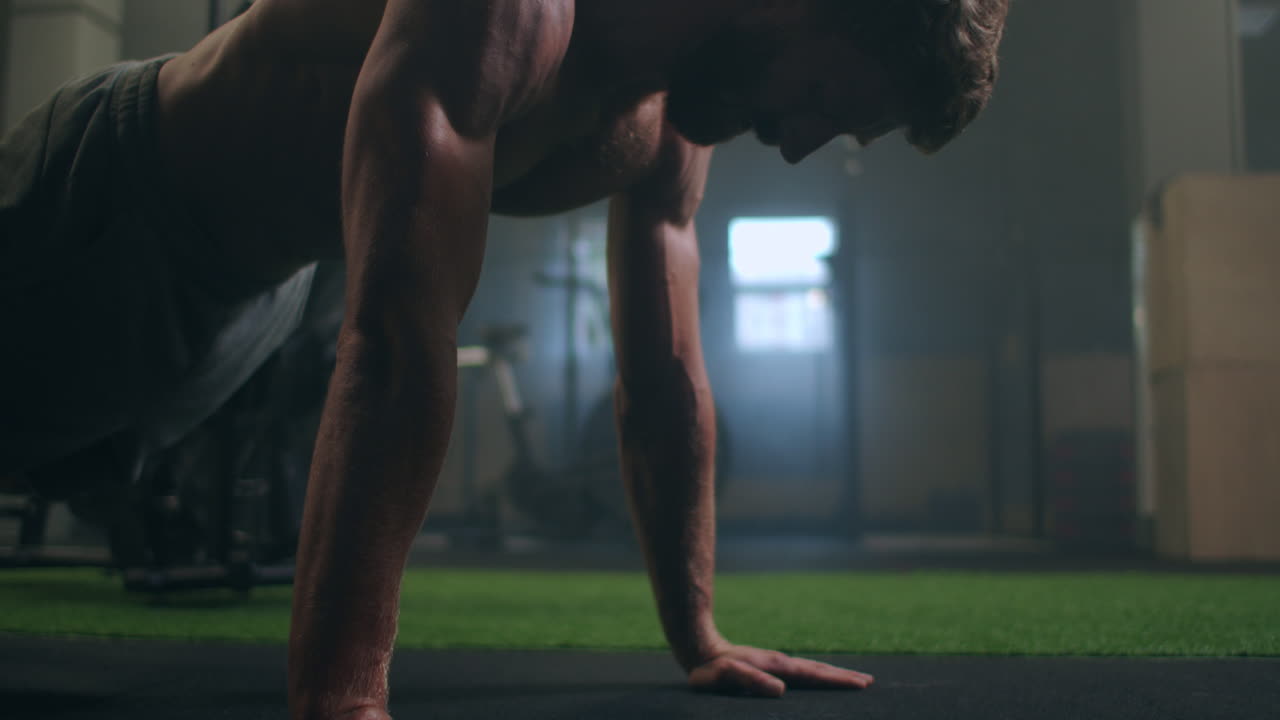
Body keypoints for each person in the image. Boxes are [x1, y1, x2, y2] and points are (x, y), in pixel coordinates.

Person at [0, 0, 1009, 717]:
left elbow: (663, 384)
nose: (794, 144)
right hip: (120, 198)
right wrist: (343, 698)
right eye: (822, 94)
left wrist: (695, 634)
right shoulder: (507, 14)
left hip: (254, 299)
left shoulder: (667, 126)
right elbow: (399, 334)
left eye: (834, 132)